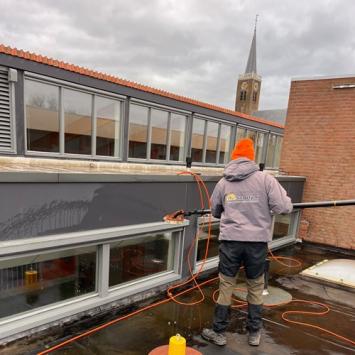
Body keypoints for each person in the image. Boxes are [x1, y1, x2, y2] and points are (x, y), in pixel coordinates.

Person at [202, 138, 292, 347]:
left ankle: (219, 332)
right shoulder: (265, 180)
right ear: (252, 157)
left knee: (226, 286)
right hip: (256, 243)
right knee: (255, 286)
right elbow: (283, 207)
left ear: (234, 157)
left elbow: (215, 211)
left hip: (231, 242)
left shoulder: (223, 182)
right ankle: (253, 333)